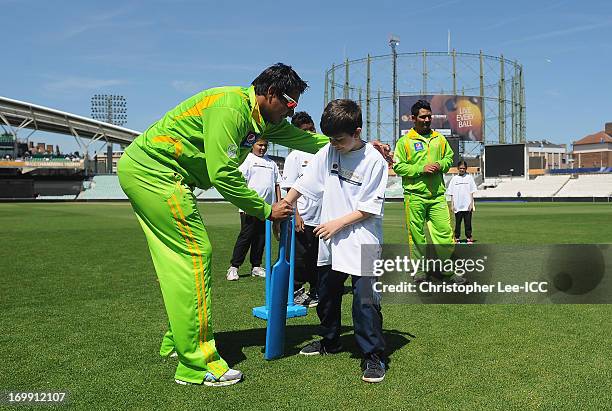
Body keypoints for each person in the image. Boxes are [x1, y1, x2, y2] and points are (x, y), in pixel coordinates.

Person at [117, 63, 333, 387]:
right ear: (271, 93)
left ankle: (177, 340)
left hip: (148, 172)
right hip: (156, 173)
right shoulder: (230, 108)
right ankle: (196, 363)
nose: (292, 111)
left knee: (178, 262)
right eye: (290, 102)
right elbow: (222, 174)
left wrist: (358, 146)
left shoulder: (263, 122)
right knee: (194, 255)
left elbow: (308, 141)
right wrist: (265, 210)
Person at [284, 99, 388, 383]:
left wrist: (336, 223)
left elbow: (369, 207)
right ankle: (330, 341)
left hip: (362, 239)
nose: (334, 144)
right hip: (331, 240)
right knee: (327, 296)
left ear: (357, 131)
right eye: (330, 138)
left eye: (339, 139)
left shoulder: (374, 161)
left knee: (365, 300)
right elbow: (306, 182)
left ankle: (373, 357)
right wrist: (285, 203)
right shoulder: (329, 150)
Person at [393, 99, 466, 285]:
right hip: (414, 196)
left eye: (429, 116)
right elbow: (399, 166)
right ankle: (420, 270)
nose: (427, 120)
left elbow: (449, 158)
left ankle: (449, 273)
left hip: (437, 196)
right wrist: (421, 168)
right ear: (413, 118)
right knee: (417, 235)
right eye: (423, 117)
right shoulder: (404, 142)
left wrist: (440, 164)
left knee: (444, 233)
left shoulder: (439, 139)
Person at [281, 111, 320, 307]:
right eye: (305, 131)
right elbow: (289, 187)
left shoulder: (322, 152)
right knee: (299, 257)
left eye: (312, 128)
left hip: (322, 218)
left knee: (317, 257)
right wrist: (295, 215)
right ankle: (295, 290)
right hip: (303, 216)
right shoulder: (295, 156)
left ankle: (316, 291)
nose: (311, 133)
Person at [226, 138, 280, 280]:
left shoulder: (271, 163)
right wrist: (243, 204)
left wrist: (278, 203)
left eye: (265, 145)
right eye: (260, 145)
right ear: (253, 145)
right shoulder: (247, 159)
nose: (262, 148)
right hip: (249, 207)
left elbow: (277, 184)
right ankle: (234, 268)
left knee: (261, 237)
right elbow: (242, 182)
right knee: (246, 236)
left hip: (266, 209)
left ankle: (256, 267)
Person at [447, 160, 477, 244]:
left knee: (468, 223)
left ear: (466, 168)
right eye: (460, 168)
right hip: (457, 205)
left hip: (467, 205)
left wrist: (471, 204)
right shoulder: (454, 179)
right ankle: (457, 237)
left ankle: (469, 237)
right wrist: (452, 205)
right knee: (457, 223)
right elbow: (451, 193)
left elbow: (472, 192)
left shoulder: (470, 178)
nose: (462, 170)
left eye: (463, 168)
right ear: (458, 168)